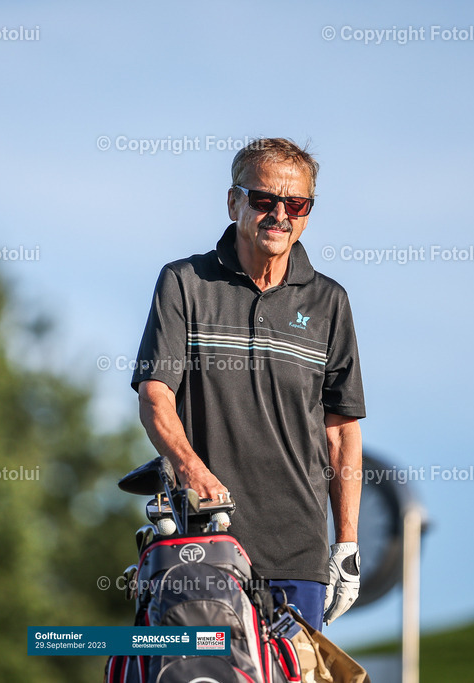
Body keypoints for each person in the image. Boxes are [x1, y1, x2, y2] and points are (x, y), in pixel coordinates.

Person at [131, 138, 365, 630]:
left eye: (296, 203)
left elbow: (341, 432)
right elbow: (156, 395)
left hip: (299, 553)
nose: (280, 214)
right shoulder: (184, 283)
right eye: (264, 201)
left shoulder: (330, 303)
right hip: (202, 540)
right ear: (234, 201)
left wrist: (346, 544)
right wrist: (191, 470)